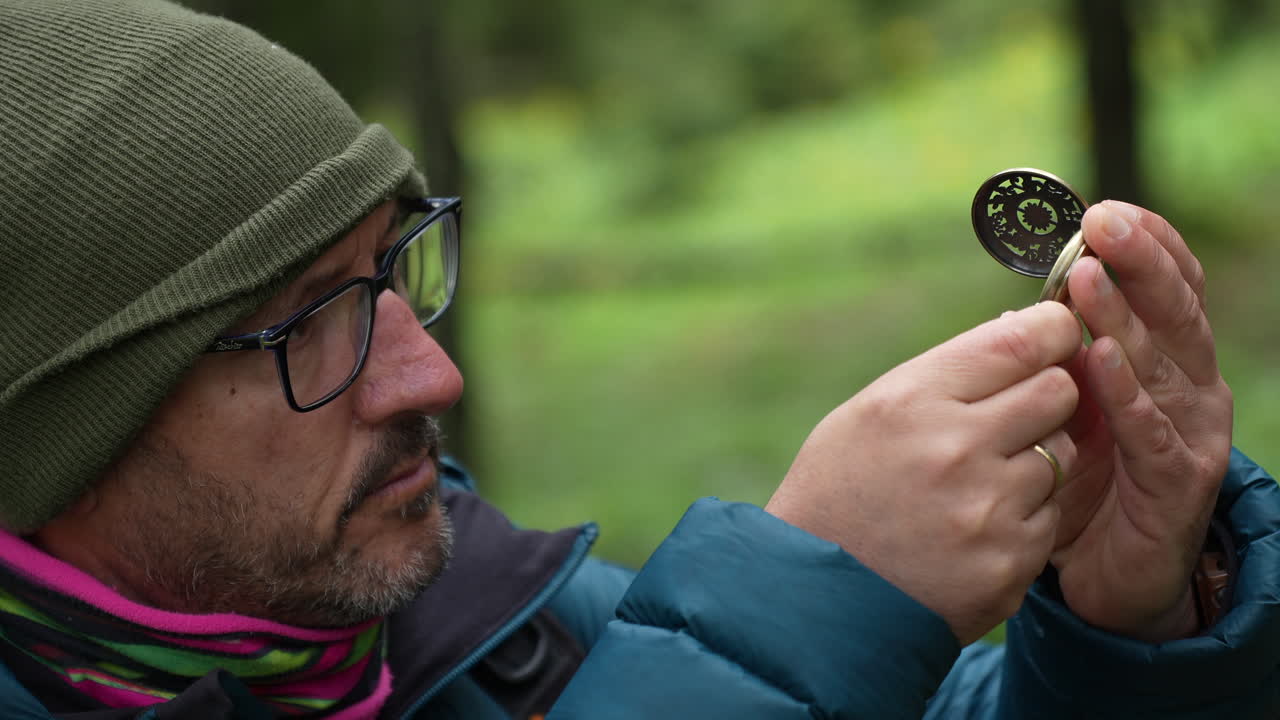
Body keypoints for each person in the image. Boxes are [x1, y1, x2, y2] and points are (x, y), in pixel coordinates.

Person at [1, 1, 1277, 718]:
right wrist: (806, 607)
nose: (425, 379)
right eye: (304, 323)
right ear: (65, 442)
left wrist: (1134, 624)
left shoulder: (482, 631)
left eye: (393, 273)